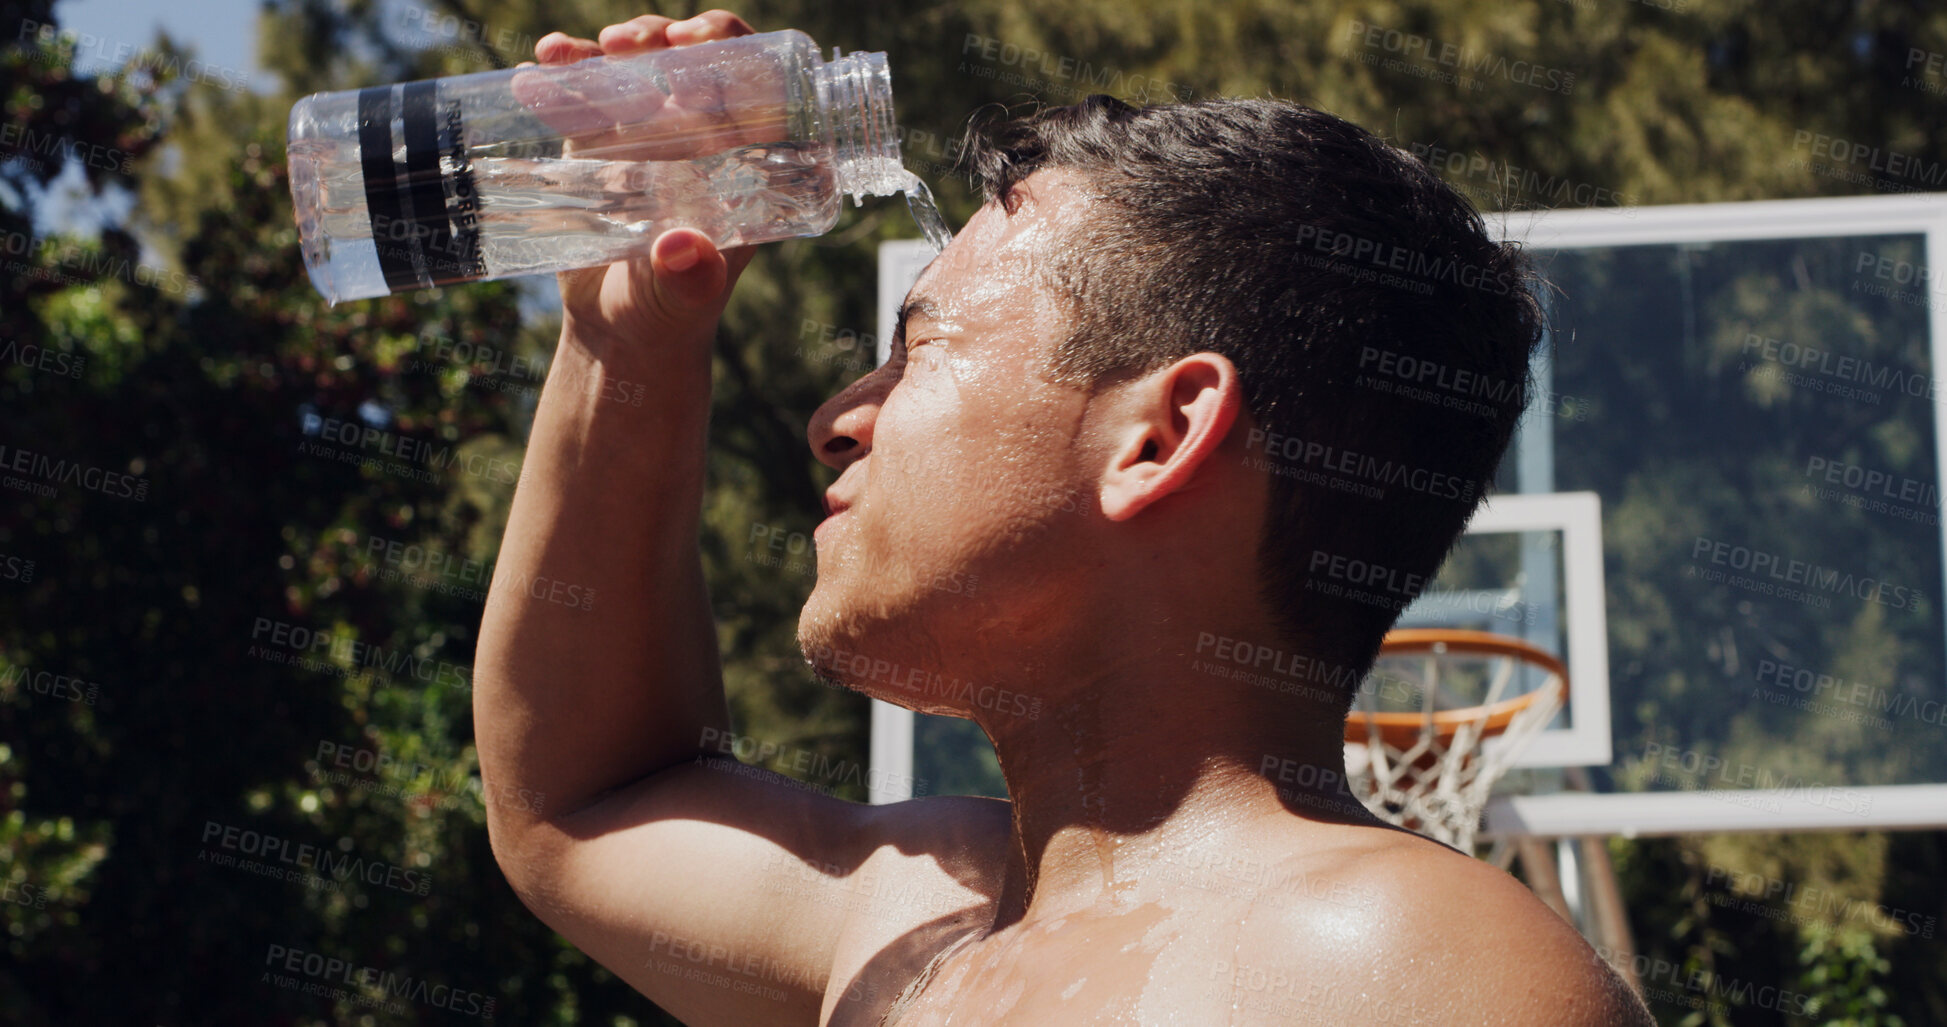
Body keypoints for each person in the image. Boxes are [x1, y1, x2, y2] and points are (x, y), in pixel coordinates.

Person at [475, 9, 1654, 1025]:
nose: (838, 417)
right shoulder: (914, 916)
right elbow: (585, 805)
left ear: (1157, 435)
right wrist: (625, 338)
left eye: (918, 349)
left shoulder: (1405, 966)